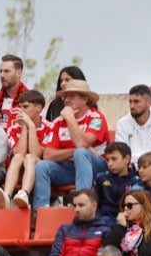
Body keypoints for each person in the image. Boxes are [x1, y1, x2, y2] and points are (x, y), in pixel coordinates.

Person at [32, 78, 110, 208]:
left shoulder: (96, 117)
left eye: (71, 96)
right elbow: (48, 155)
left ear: (84, 99)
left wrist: (70, 118)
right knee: (42, 166)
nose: (66, 100)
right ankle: (39, 214)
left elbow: (82, 143)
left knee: (81, 153)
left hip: (97, 167)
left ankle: (82, 204)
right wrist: (73, 152)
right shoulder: (58, 122)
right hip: (71, 168)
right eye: (65, 97)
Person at [0, 89, 46, 209]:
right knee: (18, 157)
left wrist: (32, 127)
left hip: (39, 171)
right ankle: (7, 196)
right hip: (19, 170)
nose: (21, 111)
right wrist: (24, 127)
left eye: (26, 107)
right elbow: (19, 152)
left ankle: (24, 193)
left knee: (29, 158)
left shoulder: (49, 127)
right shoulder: (14, 127)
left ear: (38, 108)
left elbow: (36, 154)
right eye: (20, 107)